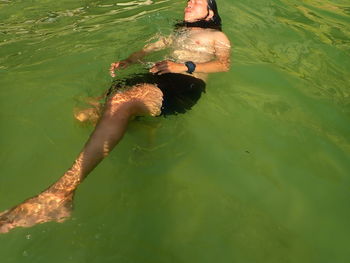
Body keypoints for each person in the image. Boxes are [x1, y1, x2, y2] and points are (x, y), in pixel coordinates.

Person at [0, 0, 231, 234]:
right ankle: (144, 128)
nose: (189, 2)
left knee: (121, 103)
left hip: (184, 82)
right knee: (84, 114)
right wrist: (130, 59)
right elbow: (150, 48)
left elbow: (224, 64)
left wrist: (184, 66)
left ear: (210, 11)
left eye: (197, 0)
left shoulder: (216, 36)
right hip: (159, 74)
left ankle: (60, 194)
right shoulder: (178, 32)